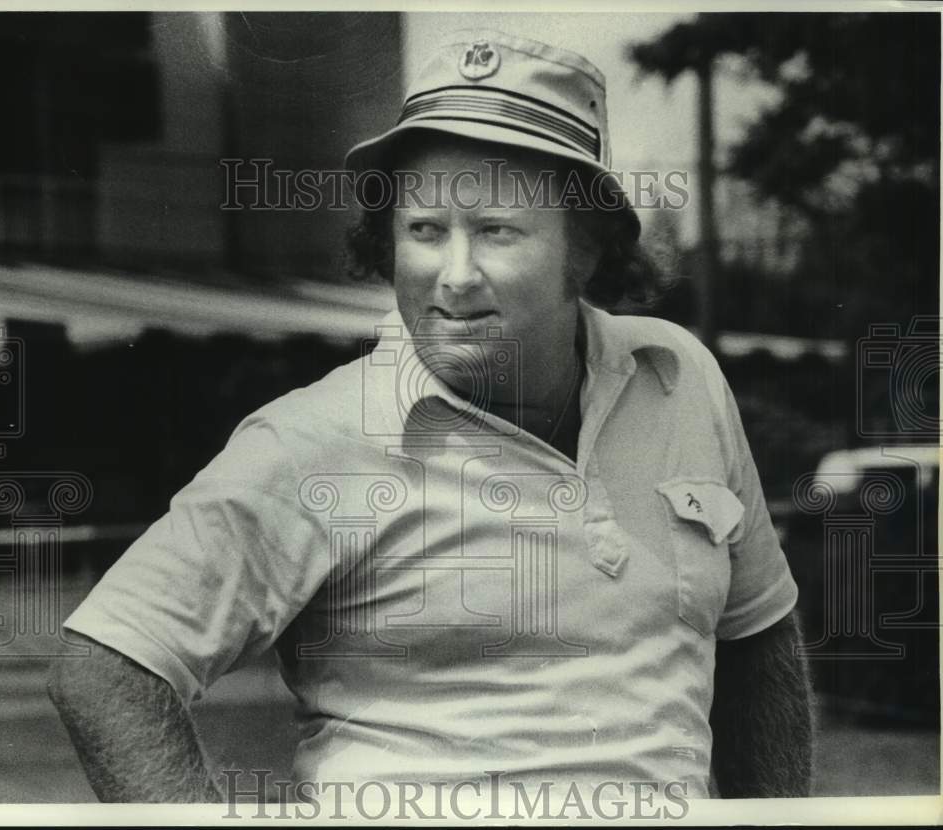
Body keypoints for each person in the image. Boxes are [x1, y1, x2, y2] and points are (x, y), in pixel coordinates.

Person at [48, 29, 814, 806]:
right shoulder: (314, 439)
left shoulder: (682, 379)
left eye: (496, 231)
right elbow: (105, 667)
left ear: (584, 249)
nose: (453, 276)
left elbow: (759, 637)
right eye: (423, 231)